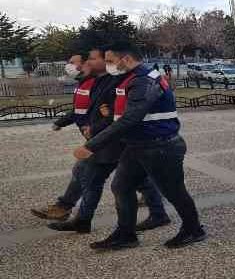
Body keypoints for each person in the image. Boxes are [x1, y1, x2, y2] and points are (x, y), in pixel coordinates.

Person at [74, 42, 205, 250]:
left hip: (160, 147)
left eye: (110, 61)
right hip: (137, 145)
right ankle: (125, 234)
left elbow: (130, 119)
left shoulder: (143, 81)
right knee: (121, 186)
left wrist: (91, 145)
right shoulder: (129, 78)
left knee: (174, 191)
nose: (108, 65)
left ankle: (193, 229)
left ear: (126, 59)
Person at [47, 47, 170, 234]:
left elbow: (124, 115)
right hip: (107, 139)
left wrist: (93, 138)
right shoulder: (96, 81)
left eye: (92, 58)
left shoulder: (124, 80)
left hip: (114, 140)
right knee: (113, 179)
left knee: (109, 181)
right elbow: (94, 110)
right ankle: (152, 217)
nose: (87, 62)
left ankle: (120, 229)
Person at [30, 54, 90, 221]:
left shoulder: (94, 83)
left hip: (102, 138)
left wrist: (95, 130)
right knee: (130, 173)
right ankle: (154, 203)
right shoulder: (83, 83)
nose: (68, 65)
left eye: (72, 62)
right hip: (98, 137)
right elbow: (79, 110)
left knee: (82, 170)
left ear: (84, 64)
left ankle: (64, 208)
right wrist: (61, 122)